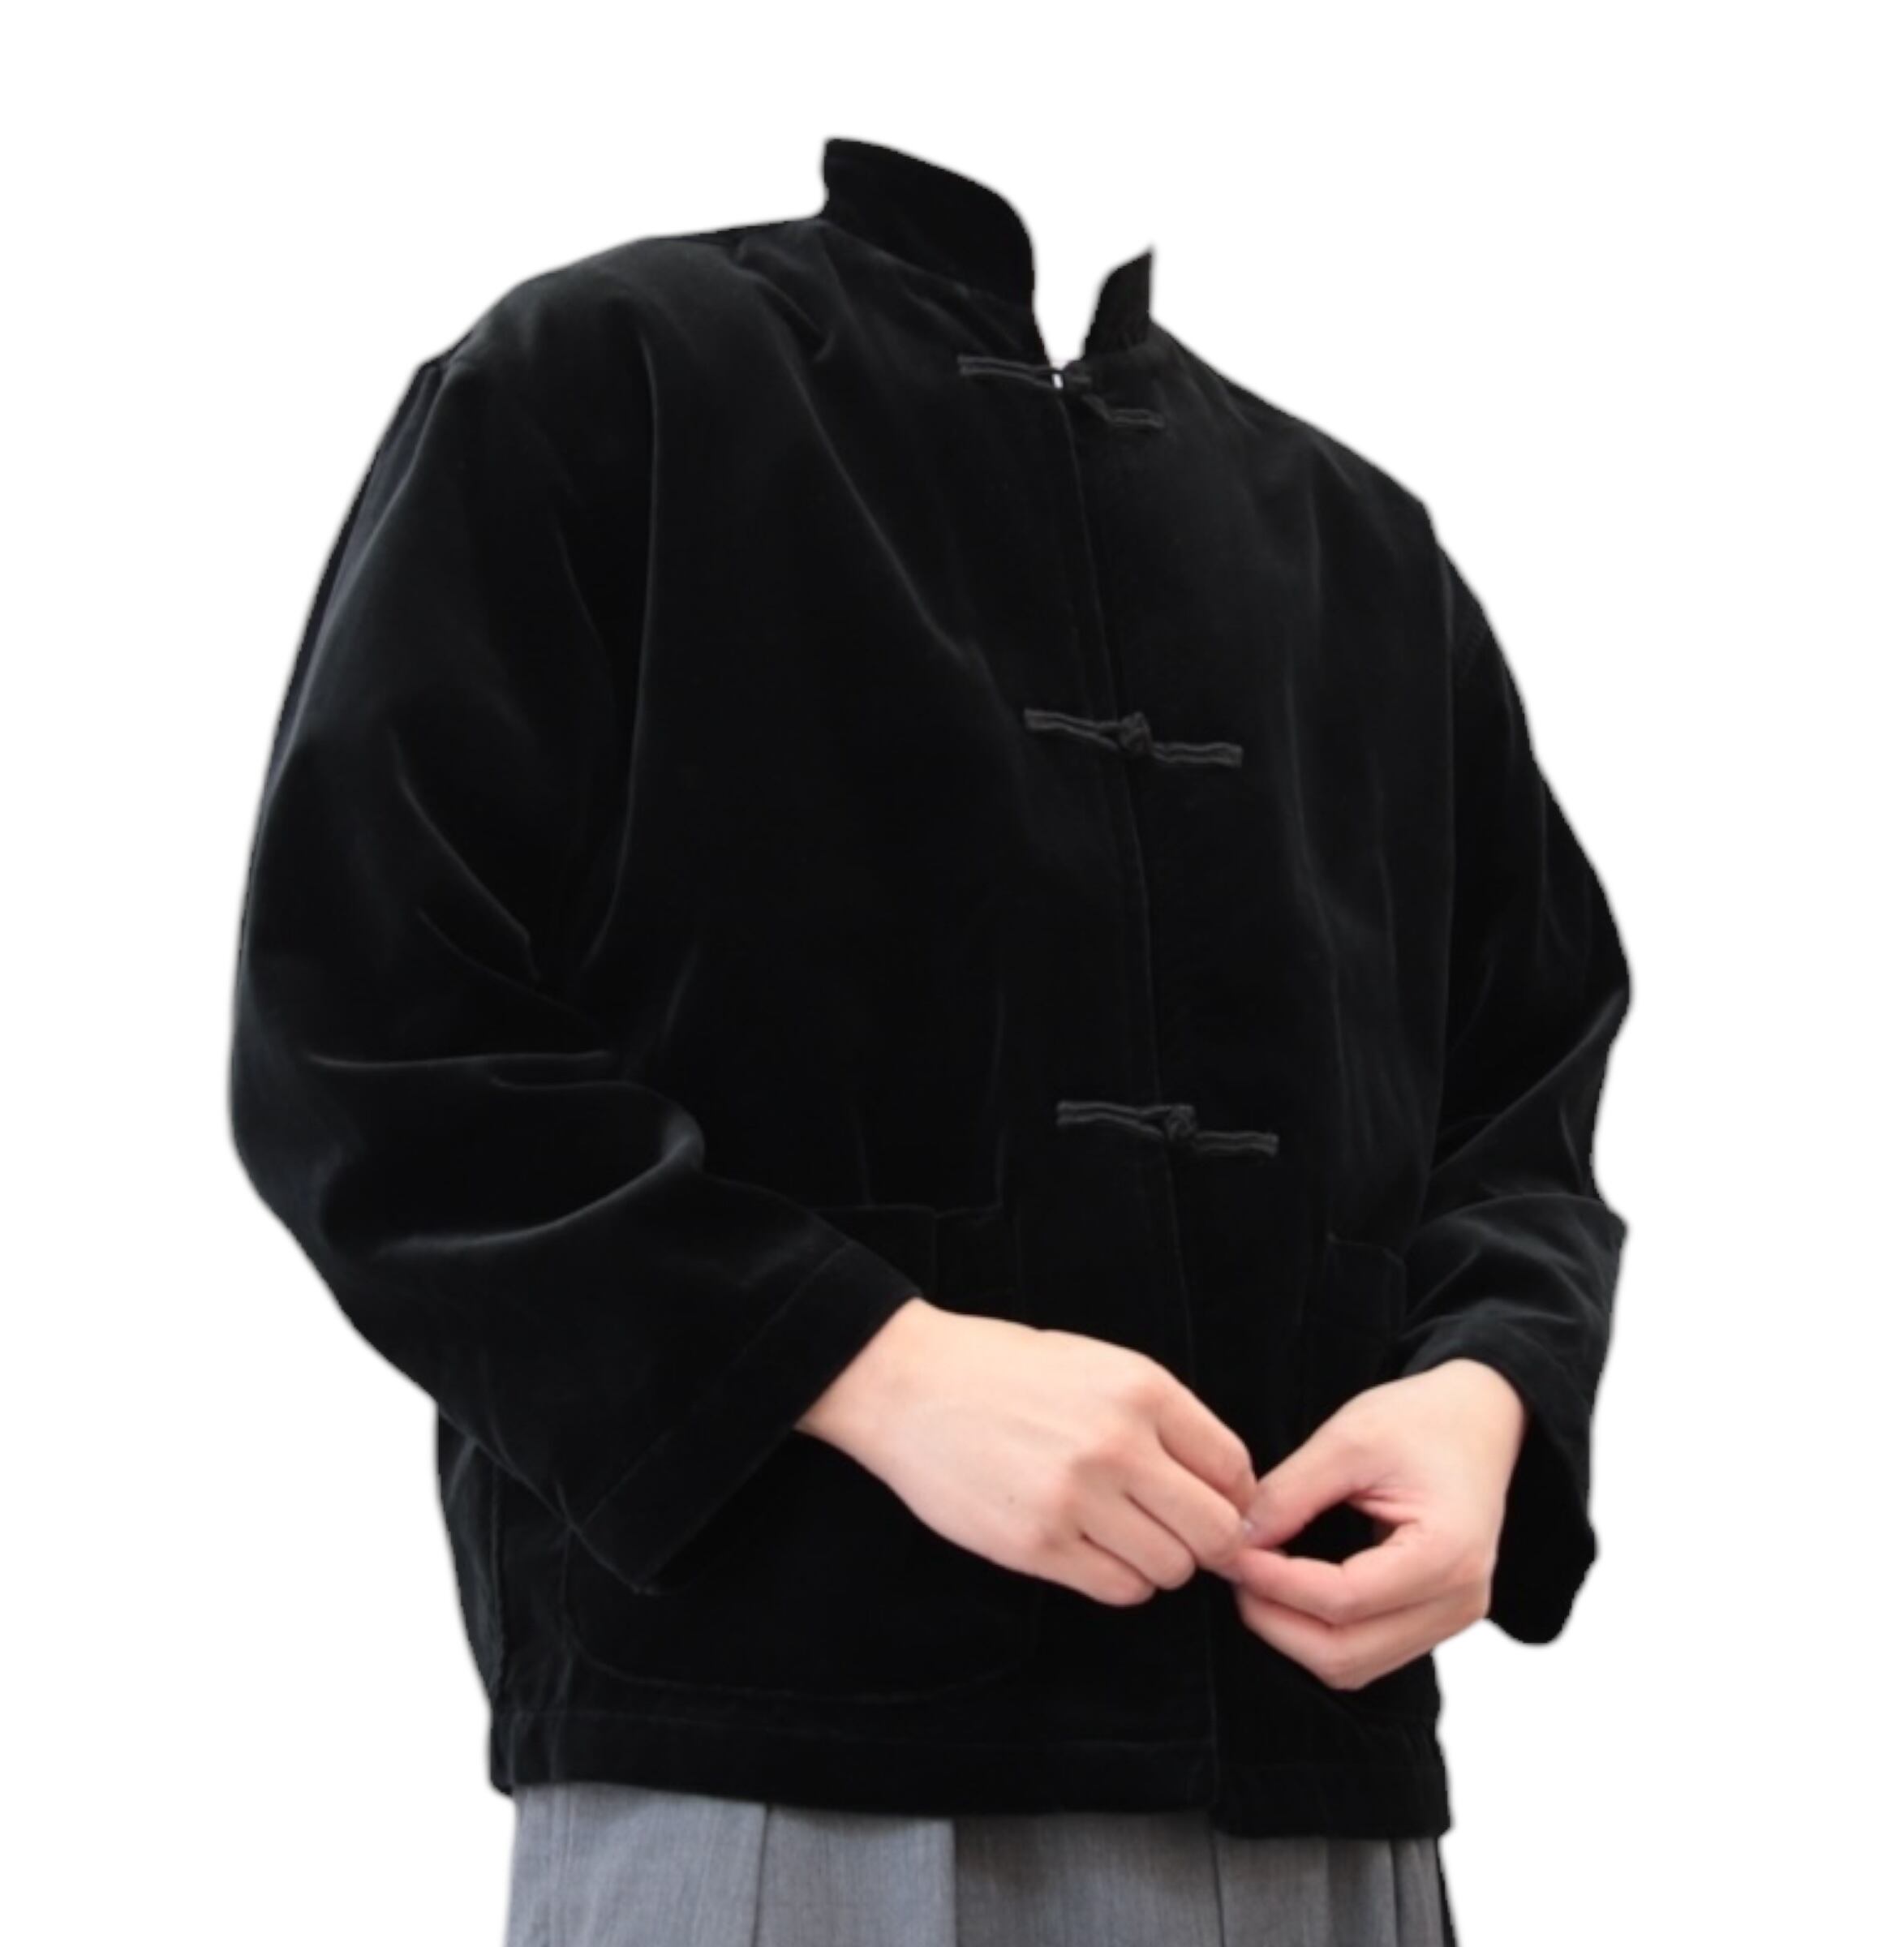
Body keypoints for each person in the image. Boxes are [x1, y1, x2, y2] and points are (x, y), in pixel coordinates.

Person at [228, 135, 1632, 1946]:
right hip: (784, 1769)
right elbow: (367, 1028)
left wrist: (1486, 1392)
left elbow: (1524, 1091)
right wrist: (866, 1366)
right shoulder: (608, 379)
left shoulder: (1360, 544)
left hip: (1315, 1768)